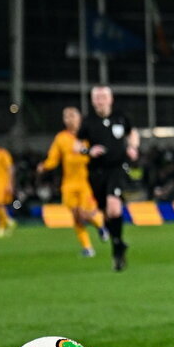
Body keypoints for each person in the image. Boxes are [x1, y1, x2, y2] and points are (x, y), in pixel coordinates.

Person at [76, 86, 139, 271]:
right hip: (96, 171)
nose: (99, 100)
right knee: (105, 213)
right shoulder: (88, 122)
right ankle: (118, 245)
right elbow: (77, 143)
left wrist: (133, 147)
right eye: (96, 97)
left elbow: (132, 132)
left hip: (118, 167)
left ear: (110, 99)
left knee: (113, 206)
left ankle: (118, 247)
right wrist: (88, 150)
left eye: (103, 96)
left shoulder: (120, 117)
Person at [36, 106, 108, 256]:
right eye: (66, 116)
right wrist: (45, 166)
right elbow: (53, 158)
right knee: (76, 216)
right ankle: (88, 248)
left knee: (84, 213)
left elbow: (99, 153)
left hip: (86, 182)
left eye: (72, 116)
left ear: (79, 118)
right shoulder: (61, 138)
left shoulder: (88, 135)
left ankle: (100, 226)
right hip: (68, 183)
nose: (69, 119)